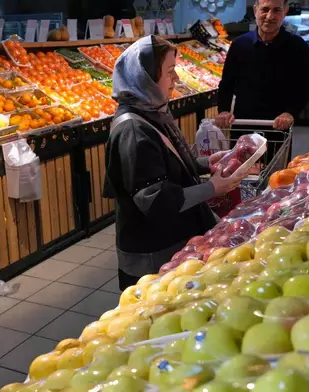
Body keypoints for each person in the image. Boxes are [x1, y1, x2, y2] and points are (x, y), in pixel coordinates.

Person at [103, 36, 249, 290]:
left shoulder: (150, 110)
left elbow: (164, 162)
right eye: (170, 72)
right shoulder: (133, 130)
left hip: (170, 237)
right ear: (145, 77)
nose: (177, 79)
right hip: (152, 251)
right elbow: (156, 200)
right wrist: (213, 188)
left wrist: (204, 164)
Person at [215, 0, 309, 131]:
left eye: (277, 10)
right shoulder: (239, 45)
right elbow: (227, 84)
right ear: (256, 10)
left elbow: (304, 86)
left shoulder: (298, 46)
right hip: (243, 125)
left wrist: (291, 112)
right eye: (265, 9)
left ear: (285, 12)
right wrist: (224, 110)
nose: (270, 16)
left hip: (279, 126)